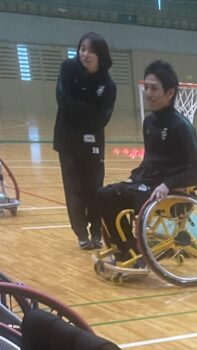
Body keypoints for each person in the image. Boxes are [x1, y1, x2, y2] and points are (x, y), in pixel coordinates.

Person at [96, 60, 197, 265]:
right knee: (104, 195)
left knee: (129, 196)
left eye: (154, 89)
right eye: (146, 87)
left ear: (170, 93)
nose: (148, 93)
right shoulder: (149, 123)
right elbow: (150, 162)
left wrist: (168, 184)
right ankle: (126, 251)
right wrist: (133, 177)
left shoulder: (181, 127)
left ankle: (134, 254)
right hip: (148, 186)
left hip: (172, 194)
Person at [53, 33, 116, 250]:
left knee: (94, 189)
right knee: (74, 190)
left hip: (93, 142)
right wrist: (90, 109)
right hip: (67, 141)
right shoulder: (68, 69)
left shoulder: (108, 85)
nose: (85, 54)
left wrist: (79, 110)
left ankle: (97, 232)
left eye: (91, 50)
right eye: (82, 49)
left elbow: (102, 118)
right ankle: (81, 233)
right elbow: (63, 100)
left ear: (101, 55)